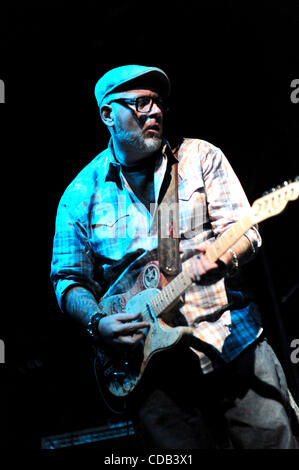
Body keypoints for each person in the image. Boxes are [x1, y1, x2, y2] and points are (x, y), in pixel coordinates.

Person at [50, 64, 298, 449]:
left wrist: (224, 257)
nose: (156, 112)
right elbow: (68, 280)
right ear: (107, 115)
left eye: (159, 103)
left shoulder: (200, 158)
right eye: (141, 103)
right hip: (151, 374)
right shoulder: (80, 194)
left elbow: (246, 230)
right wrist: (98, 324)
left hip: (230, 342)